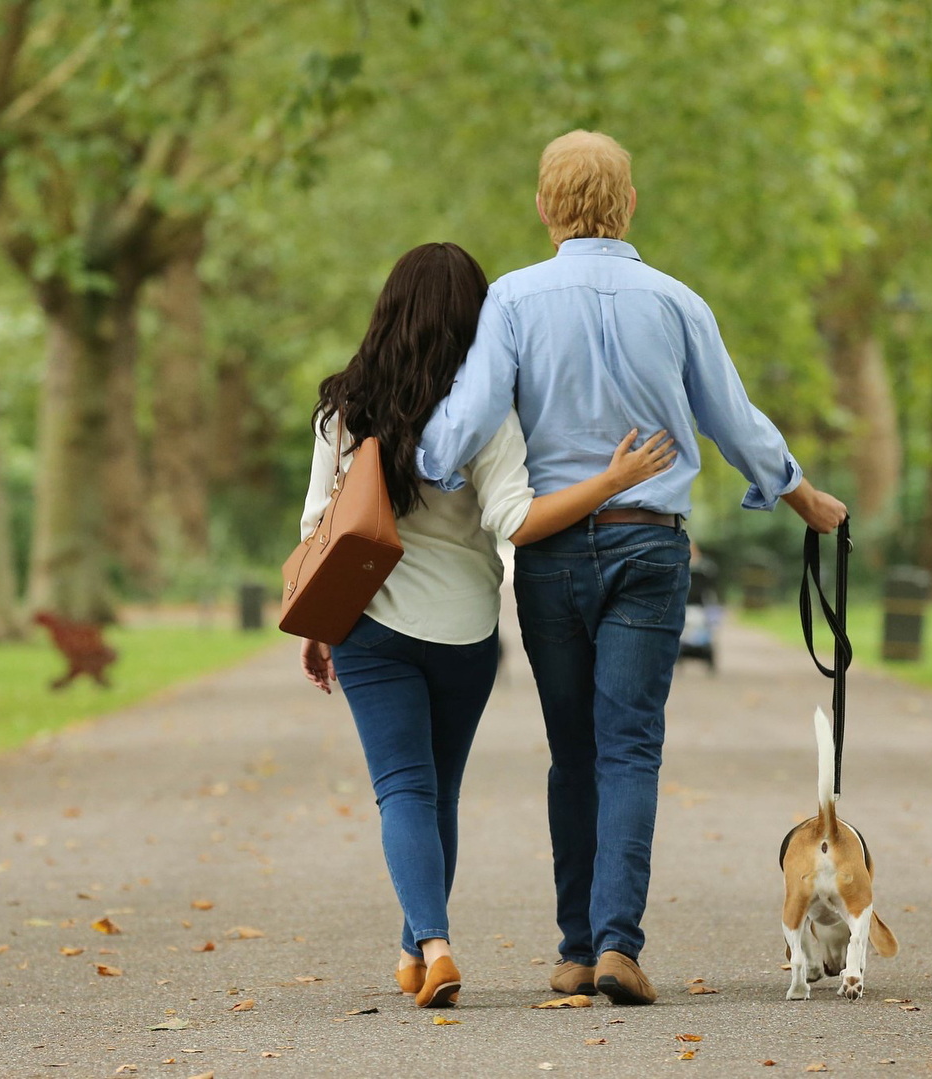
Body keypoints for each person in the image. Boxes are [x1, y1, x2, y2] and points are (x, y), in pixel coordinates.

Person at [416, 131, 847, 1005]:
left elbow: (457, 435)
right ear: (631, 203)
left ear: (543, 207)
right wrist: (801, 495)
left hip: (550, 555)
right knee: (630, 748)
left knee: (572, 753)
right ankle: (617, 944)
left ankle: (578, 948)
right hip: (651, 545)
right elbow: (733, 417)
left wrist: (403, 460)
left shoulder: (512, 301)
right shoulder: (678, 302)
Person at [297, 242, 675, 1009]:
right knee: (439, 791)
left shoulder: (344, 406)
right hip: (463, 630)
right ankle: (421, 944)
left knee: (402, 788)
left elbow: (317, 524)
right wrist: (611, 481)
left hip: (368, 620)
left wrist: (318, 622)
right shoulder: (490, 414)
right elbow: (516, 520)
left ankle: (428, 943)